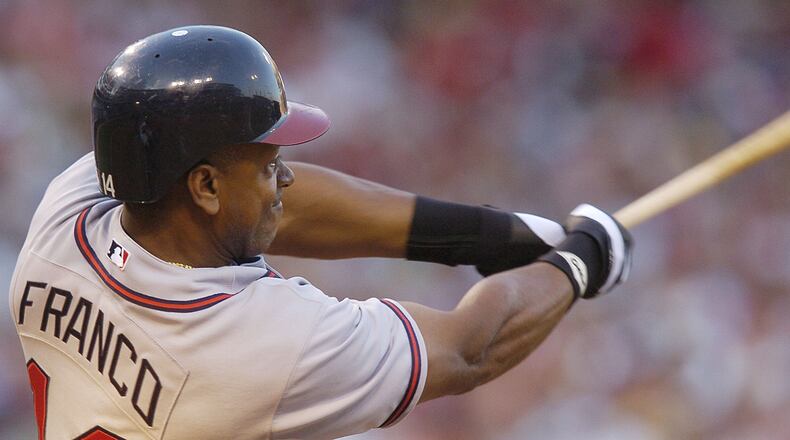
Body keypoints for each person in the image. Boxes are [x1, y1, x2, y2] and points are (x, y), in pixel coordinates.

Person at [8, 25, 632, 439]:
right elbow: (470, 349)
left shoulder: (65, 220)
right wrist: (577, 264)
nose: (283, 177)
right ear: (203, 186)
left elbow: (273, 202)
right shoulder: (262, 346)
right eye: (267, 162)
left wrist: (477, 234)